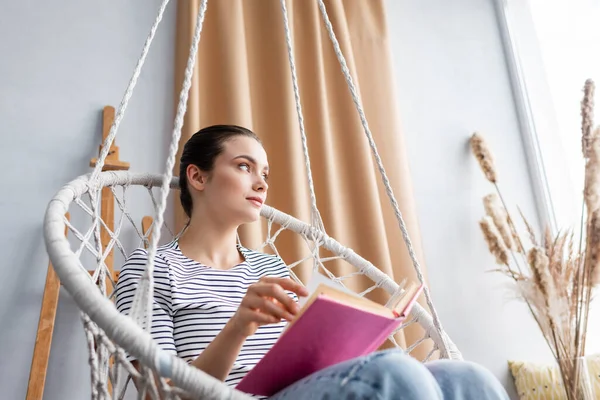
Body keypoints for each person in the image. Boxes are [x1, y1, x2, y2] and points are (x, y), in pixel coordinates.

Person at [115, 124, 509, 399]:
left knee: (468, 380)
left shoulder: (269, 269)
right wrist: (238, 327)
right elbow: (157, 394)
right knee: (395, 374)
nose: (262, 183)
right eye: (243, 166)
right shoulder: (149, 270)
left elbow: (303, 359)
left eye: (264, 173)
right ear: (197, 178)